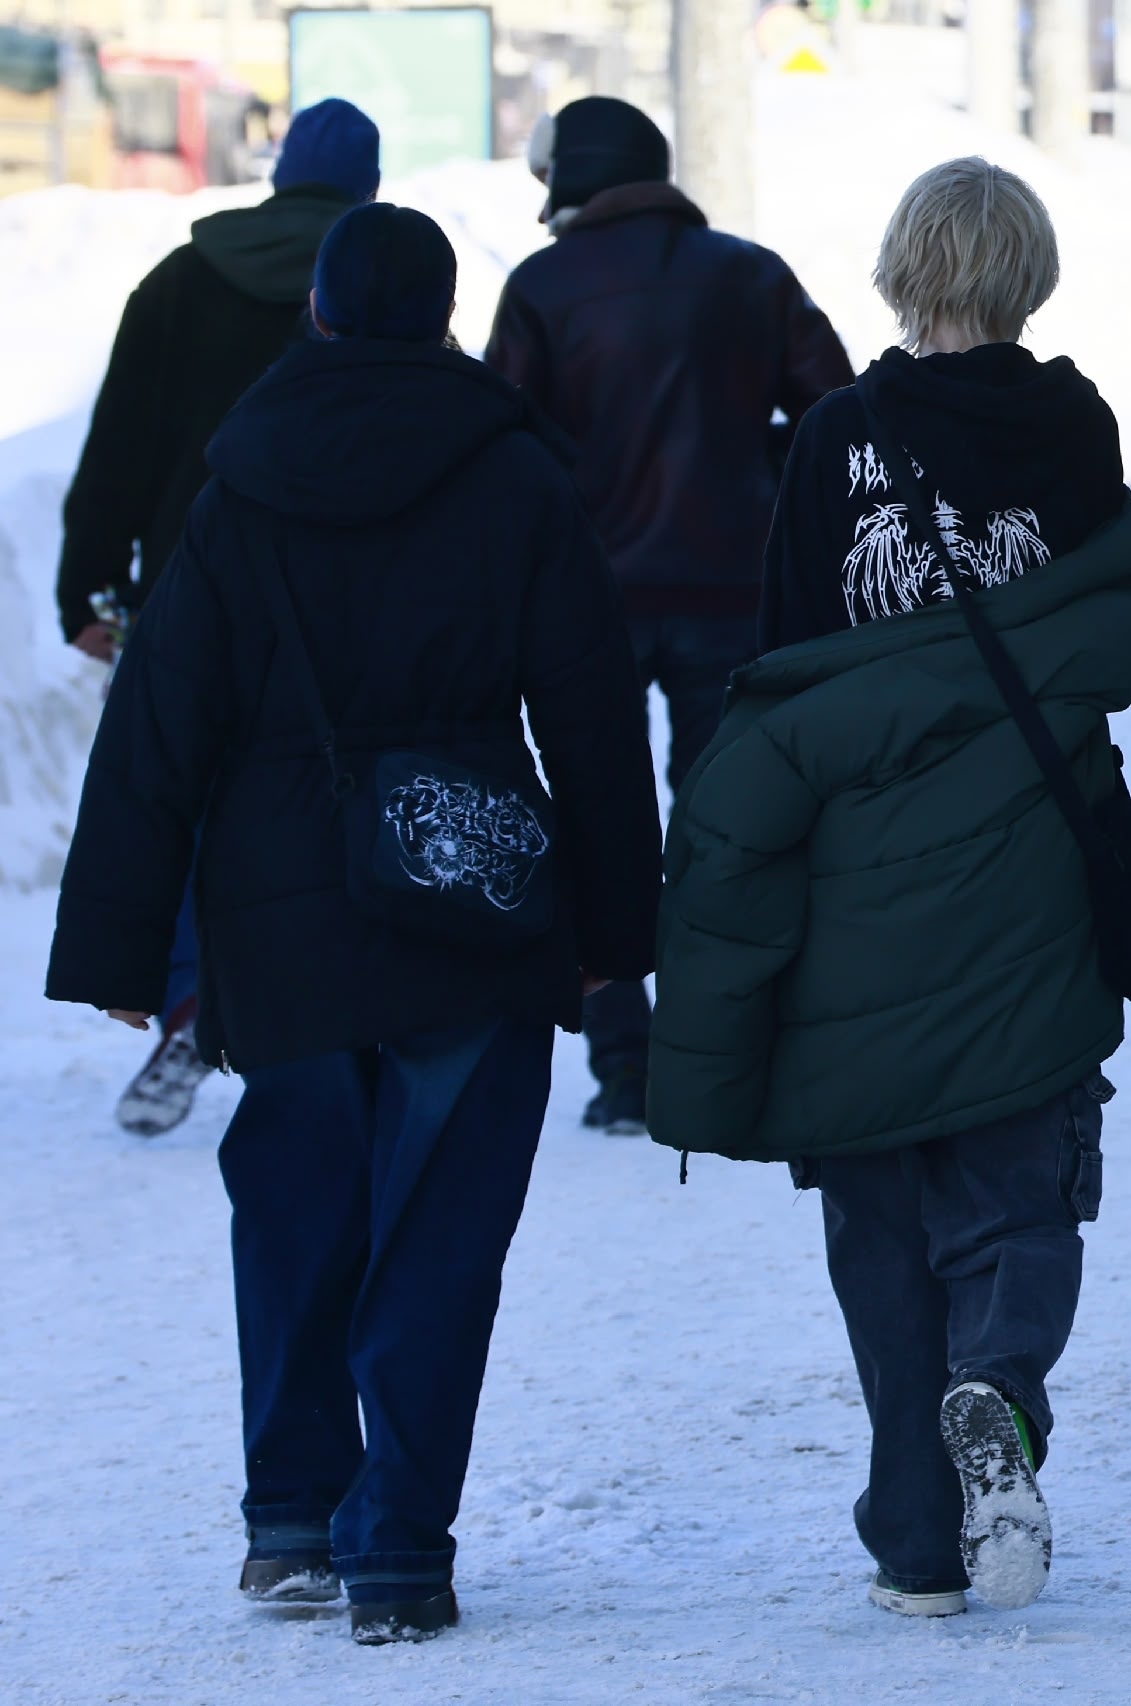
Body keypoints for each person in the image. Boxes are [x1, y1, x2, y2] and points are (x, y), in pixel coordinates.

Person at [44, 204, 662, 1643]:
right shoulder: (512, 472)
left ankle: (288, 1516)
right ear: (448, 320)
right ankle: (397, 1550)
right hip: (473, 888)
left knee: (298, 1208)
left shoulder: (239, 481)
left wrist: (127, 947)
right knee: (444, 1230)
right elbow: (589, 707)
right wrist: (614, 927)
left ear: (316, 313)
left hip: (281, 910)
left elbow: (163, 720)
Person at [649, 158, 1131, 1620]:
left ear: (903, 269)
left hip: (854, 872)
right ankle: (999, 1388)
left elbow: (778, 662)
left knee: (880, 1202)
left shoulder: (837, 437)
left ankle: (914, 1535)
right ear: (1030, 274)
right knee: (1020, 1169)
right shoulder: (1072, 426)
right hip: (1024, 850)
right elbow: (1098, 631)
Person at [485, 95, 853, 1137]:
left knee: (599, 823)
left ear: (570, 179)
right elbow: (838, 410)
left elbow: (500, 446)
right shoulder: (749, 271)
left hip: (586, 602)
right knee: (722, 830)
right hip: (734, 595)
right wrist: (759, 477)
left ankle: (623, 1068)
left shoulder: (543, 288)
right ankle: (720, 1050)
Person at [53, 96, 381, 1138]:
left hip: (189, 586)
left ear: (281, 169)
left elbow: (120, 446)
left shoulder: (182, 279)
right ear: (367, 184)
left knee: (191, 795)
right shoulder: (375, 276)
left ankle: (195, 990)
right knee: (334, 788)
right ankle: (332, 1000)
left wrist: (87, 586)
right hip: (342, 594)